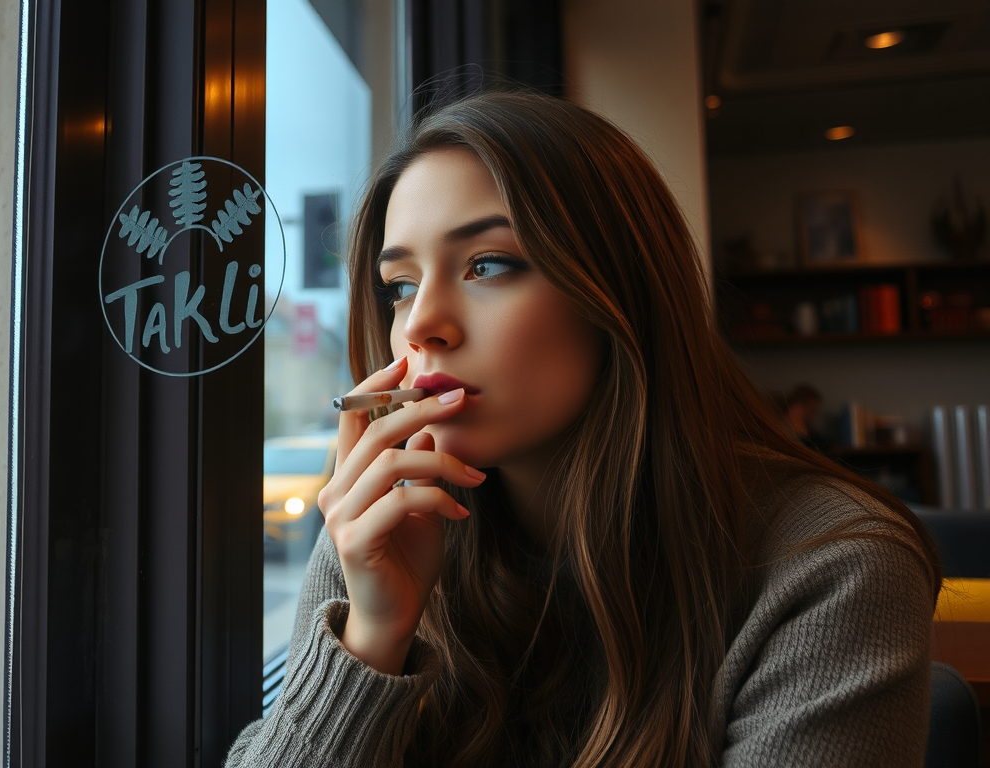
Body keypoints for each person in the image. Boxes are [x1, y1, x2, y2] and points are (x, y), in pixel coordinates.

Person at [226, 91, 941, 768]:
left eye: (490, 264)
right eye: (400, 285)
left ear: (618, 294)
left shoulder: (832, 568)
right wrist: (373, 636)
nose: (420, 325)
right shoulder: (381, 527)